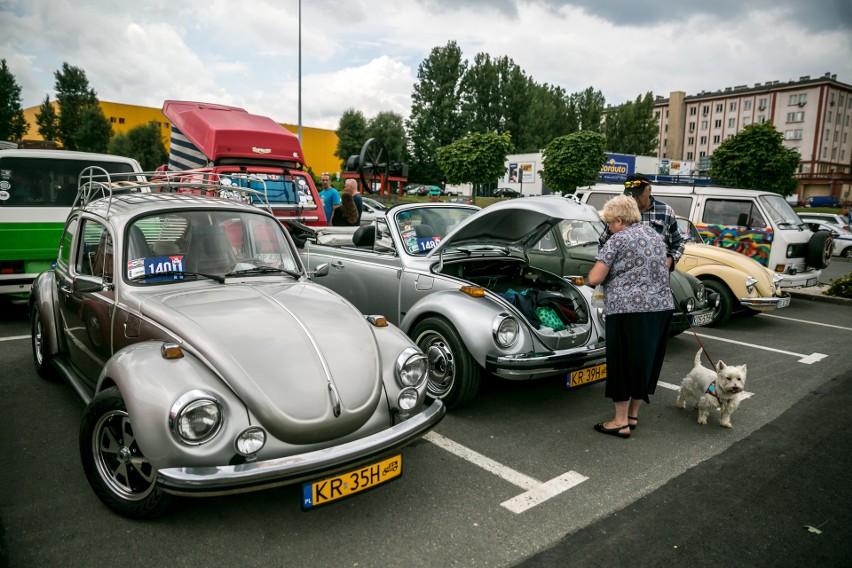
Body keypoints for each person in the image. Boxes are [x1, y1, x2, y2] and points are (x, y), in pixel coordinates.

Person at [587, 194, 675, 438]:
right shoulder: (654, 236)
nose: (608, 227)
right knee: (644, 363)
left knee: (622, 364)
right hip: (661, 307)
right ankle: (633, 416)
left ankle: (619, 422)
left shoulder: (618, 240)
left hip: (628, 311)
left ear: (618, 220)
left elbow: (595, 278)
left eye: (608, 222)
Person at [598, 173, 684, 271]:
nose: (634, 198)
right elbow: (603, 244)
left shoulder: (665, 211)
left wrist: (669, 261)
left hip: (657, 276)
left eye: (638, 194)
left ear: (649, 190)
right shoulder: (619, 211)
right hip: (624, 276)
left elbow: (679, 243)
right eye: (630, 195)